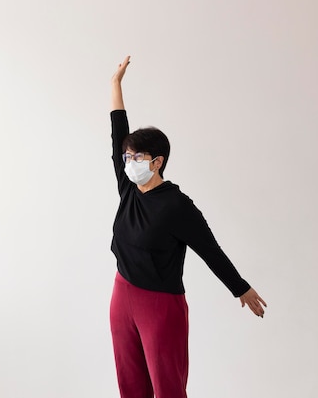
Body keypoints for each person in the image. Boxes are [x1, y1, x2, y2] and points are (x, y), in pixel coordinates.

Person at [108, 55, 266, 398]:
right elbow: (117, 132)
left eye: (136, 158)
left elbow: (210, 250)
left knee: (167, 389)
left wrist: (241, 288)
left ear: (157, 161)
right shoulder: (128, 188)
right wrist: (115, 86)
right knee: (130, 384)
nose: (129, 164)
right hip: (122, 296)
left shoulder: (177, 206)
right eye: (127, 158)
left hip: (161, 307)